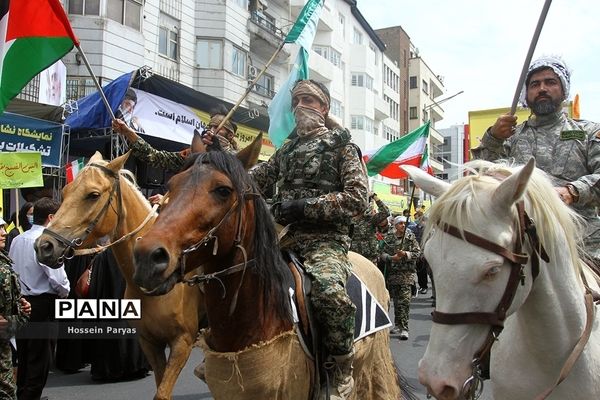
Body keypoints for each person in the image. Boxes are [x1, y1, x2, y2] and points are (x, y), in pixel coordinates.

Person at [248, 79, 368, 399]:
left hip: (324, 239)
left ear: (324, 108)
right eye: (297, 100)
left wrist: (305, 206)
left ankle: (342, 364)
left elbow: (358, 199)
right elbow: (254, 180)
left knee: (329, 293)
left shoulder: (341, 147)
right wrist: (222, 169)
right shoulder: (285, 149)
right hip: (283, 236)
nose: (301, 106)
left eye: (309, 100)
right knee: (231, 273)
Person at [472, 56, 600, 263]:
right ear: (527, 93)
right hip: (525, 247)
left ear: (563, 89)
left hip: (583, 244)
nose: (542, 88)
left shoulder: (588, 132)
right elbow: (485, 179)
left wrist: (572, 191)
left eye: (550, 82)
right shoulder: (511, 137)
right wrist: (493, 138)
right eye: (535, 84)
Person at [9, 197, 69, 400]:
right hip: (43, 305)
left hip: (21, 303)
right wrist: (65, 292)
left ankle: (23, 394)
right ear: (51, 217)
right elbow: (58, 279)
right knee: (40, 360)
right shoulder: (47, 241)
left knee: (25, 356)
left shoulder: (17, 239)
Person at [112, 104, 239, 174]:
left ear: (230, 135)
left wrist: (218, 149)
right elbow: (154, 157)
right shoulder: (192, 155)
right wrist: (129, 133)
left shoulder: (239, 158)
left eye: (217, 127)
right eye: (209, 126)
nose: (211, 130)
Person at [0, 217, 30, 400]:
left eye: (3, 228)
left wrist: (21, 307)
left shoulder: (4, 262)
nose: (4, 233)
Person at [379, 216, 421, 341]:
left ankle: (405, 328)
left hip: (407, 274)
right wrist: (391, 258)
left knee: (405, 301)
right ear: (396, 225)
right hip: (393, 274)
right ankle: (398, 324)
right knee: (397, 302)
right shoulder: (389, 238)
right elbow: (382, 253)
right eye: (400, 223)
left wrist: (406, 254)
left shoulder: (410, 237)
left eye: (404, 223)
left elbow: (417, 253)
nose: (403, 225)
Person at [350, 192, 390, 264]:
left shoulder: (371, 219)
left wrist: (374, 197)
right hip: (354, 258)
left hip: (370, 258)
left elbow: (385, 212)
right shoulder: (348, 218)